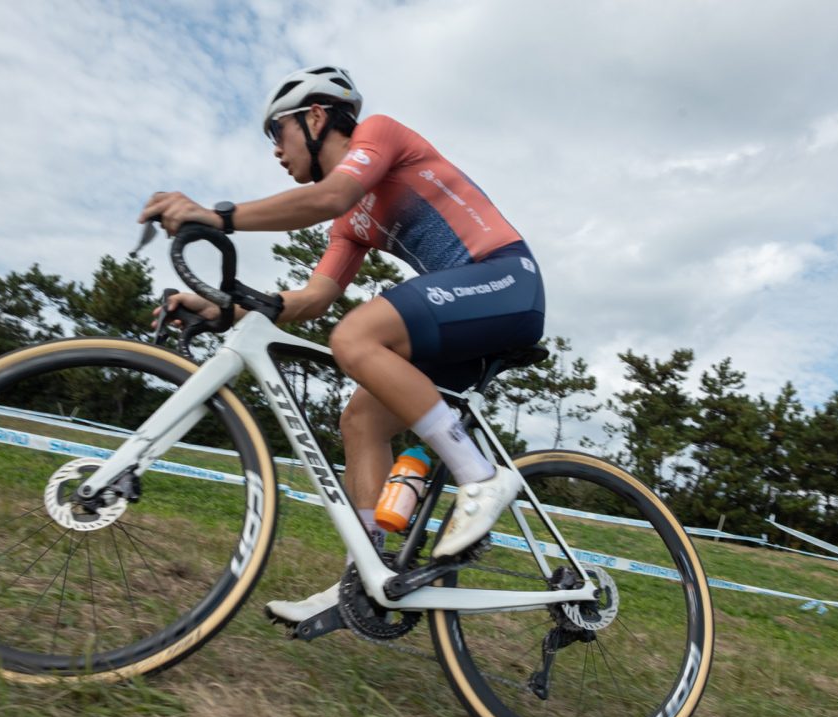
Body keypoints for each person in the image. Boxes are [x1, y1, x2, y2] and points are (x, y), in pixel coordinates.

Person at [140, 65, 545, 626]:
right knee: (360, 420)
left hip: (506, 280)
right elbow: (313, 298)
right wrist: (218, 307)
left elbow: (330, 195)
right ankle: (368, 573)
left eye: (276, 132)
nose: (275, 150)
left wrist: (216, 216)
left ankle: (480, 478)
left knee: (355, 336)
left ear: (315, 118)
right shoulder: (349, 220)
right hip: (465, 313)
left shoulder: (379, 134)